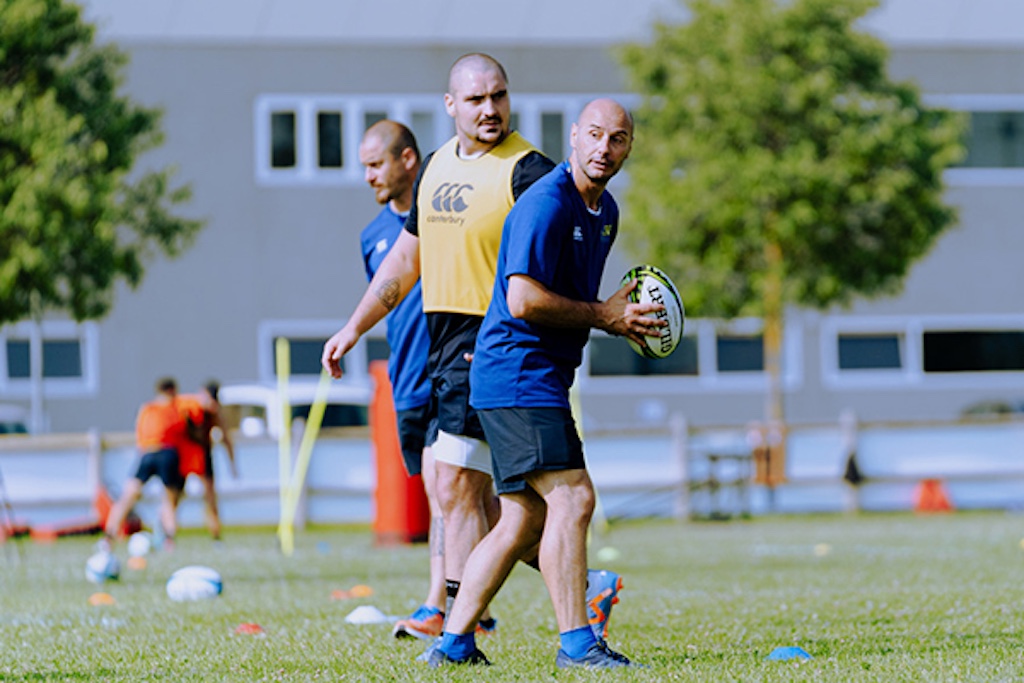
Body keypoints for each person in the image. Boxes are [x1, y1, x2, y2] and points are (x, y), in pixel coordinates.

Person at [322, 54, 623, 647]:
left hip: (492, 342)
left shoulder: (531, 172)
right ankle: (546, 599)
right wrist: (353, 328)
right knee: (495, 501)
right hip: (447, 343)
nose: (491, 110)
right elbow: (406, 262)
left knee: (459, 485)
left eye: (500, 97)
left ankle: (454, 618)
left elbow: (558, 262)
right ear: (450, 105)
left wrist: (591, 320)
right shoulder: (434, 168)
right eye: (478, 99)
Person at [426, 99, 655, 668]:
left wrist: (613, 318)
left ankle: (453, 644)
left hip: (531, 377)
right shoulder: (545, 204)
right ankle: (577, 643)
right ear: (573, 137)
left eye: (619, 139)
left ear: (628, 147)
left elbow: (577, 304)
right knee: (574, 498)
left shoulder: (604, 211)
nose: (605, 148)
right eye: (595, 135)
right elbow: (522, 299)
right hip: (517, 376)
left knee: (524, 515)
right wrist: (604, 316)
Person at [355, 120, 447, 639]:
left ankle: (438, 605)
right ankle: (582, 580)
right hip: (405, 382)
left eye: (376, 164)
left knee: (445, 493)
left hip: (451, 376)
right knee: (477, 507)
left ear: (408, 160)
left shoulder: (442, 220)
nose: (368, 176)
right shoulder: (371, 237)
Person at [103, 377, 187, 550]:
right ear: (172, 390)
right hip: (167, 452)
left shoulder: (147, 408)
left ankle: (108, 536)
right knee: (169, 499)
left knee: (129, 494)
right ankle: (169, 539)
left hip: (147, 452)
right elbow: (182, 430)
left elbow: (139, 432)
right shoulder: (176, 407)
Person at [176, 381, 238, 542]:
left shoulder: (214, 414)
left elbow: (226, 439)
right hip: (184, 455)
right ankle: (166, 533)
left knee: (210, 498)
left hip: (202, 455)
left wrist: (232, 465)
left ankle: (216, 535)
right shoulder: (186, 405)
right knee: (174, 496)